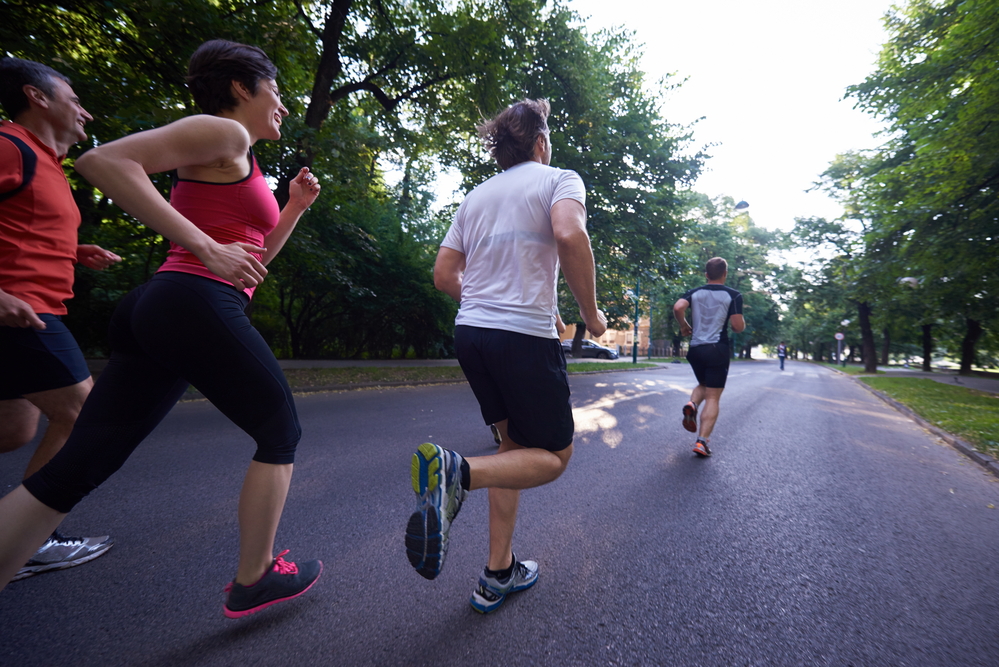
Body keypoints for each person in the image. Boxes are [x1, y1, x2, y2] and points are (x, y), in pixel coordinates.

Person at [0, 40, 323, 618]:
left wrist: (293, 207)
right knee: (280, 433)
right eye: (275, 87)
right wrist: (204, 246)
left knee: (79, 466)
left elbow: (252, 262)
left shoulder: (239, 153)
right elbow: (101, 162)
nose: (283, 101)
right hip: (191, 301)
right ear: (243, 88)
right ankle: (256, 576)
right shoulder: (224, 132)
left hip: (171, 308)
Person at [406, 98, 606, 614]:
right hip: (522, 338)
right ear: (540, 143)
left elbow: (445, 275)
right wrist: (592, 314)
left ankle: (498, 571)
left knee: (512, 448)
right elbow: (569, 233)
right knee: (554, 457)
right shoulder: (559, 178)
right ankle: (456, 472)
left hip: (471, 335)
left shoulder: (476, 197)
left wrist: (487, 304)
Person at [0, 57, 123, 580]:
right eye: (74, 99)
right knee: (81, 414)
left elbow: (18, 226)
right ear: (38, 97)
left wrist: (72, 250)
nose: (86, 111)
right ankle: (29, 540)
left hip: (28, 307)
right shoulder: (8, 145)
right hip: (21, 313)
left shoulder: (45, 161)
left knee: (13, 427)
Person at [673, 257, 745, 457]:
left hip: (695, 349)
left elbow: (678, 307)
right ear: (725, 274)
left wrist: (684, 325)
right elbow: (738, 327)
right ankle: (701, 442)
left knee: (704, 384)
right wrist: (738, 323)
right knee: (713, 396)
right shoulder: (733, 295)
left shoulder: (695, 292)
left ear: (706, 275)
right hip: (717, 349)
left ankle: (692, 404)